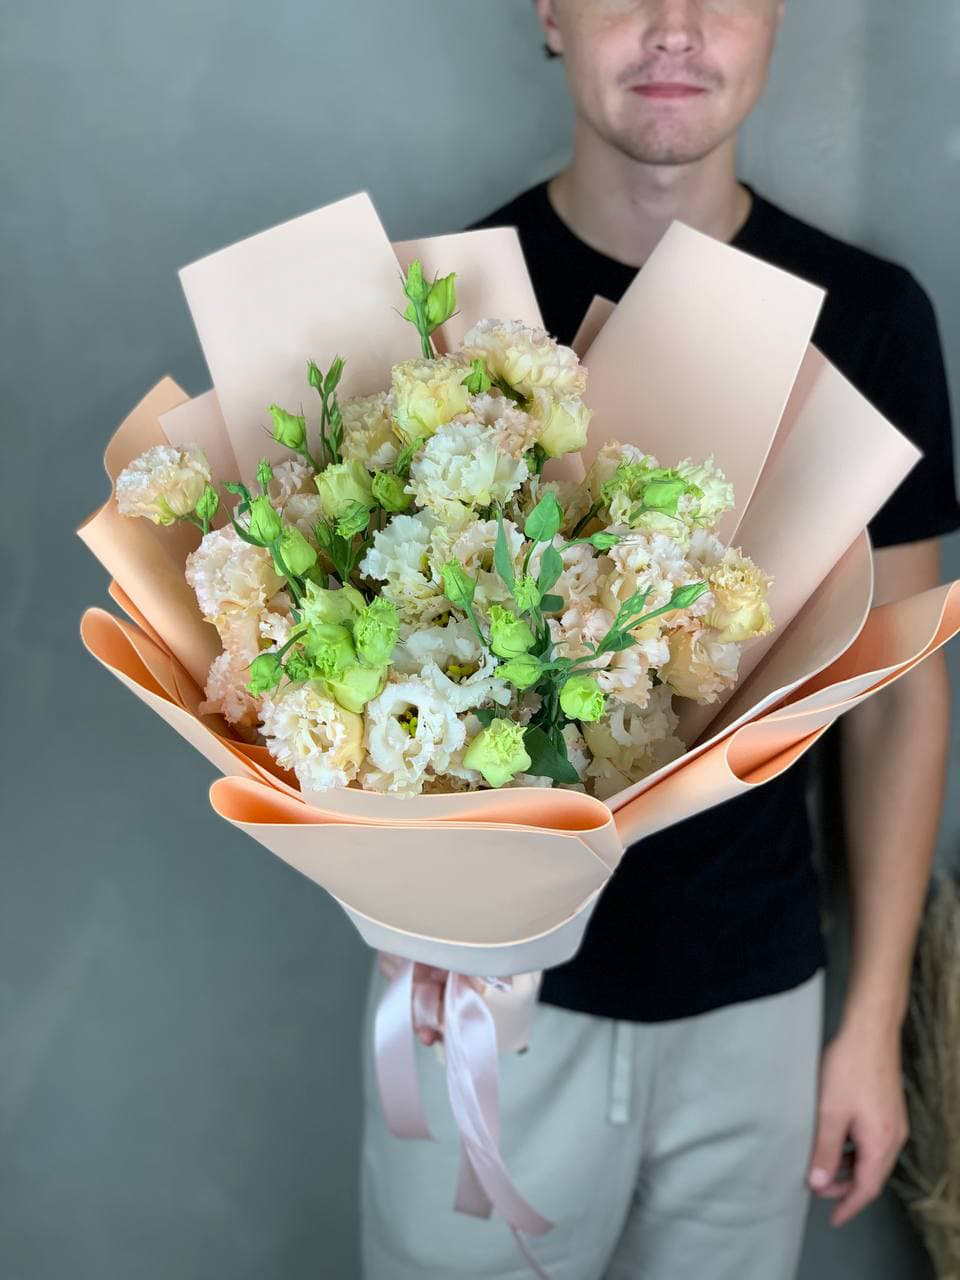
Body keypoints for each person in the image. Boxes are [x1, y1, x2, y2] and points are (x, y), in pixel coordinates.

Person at [359, 3, 960, 1277]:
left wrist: (870, 1024)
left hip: (755, 1001)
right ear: (552, 13)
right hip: (481, 1003)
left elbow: (900, 696)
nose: (676, 25)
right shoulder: (443, 313)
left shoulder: (869, 316)